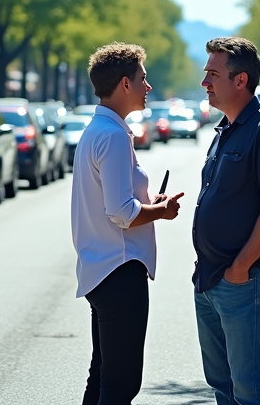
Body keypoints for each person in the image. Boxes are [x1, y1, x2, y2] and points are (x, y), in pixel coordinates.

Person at [71, 42, 184, 405]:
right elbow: (121, 212)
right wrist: (160, 211)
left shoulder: (97, 130)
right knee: (121, 384)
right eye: (143, 79)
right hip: (119, 270)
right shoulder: (114, 135)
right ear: (124, 84)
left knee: (103, 375)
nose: (148, 87)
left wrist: (148, 206)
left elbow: (117, 204)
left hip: (101, 268)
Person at [193, 37, 260, 405]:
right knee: (223, 386)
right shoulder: (224, 129)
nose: (205, 82)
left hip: (243, 281)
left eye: (213, 74)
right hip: (210, 278)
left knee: (249, 389)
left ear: (240, 81)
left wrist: (241, 266)